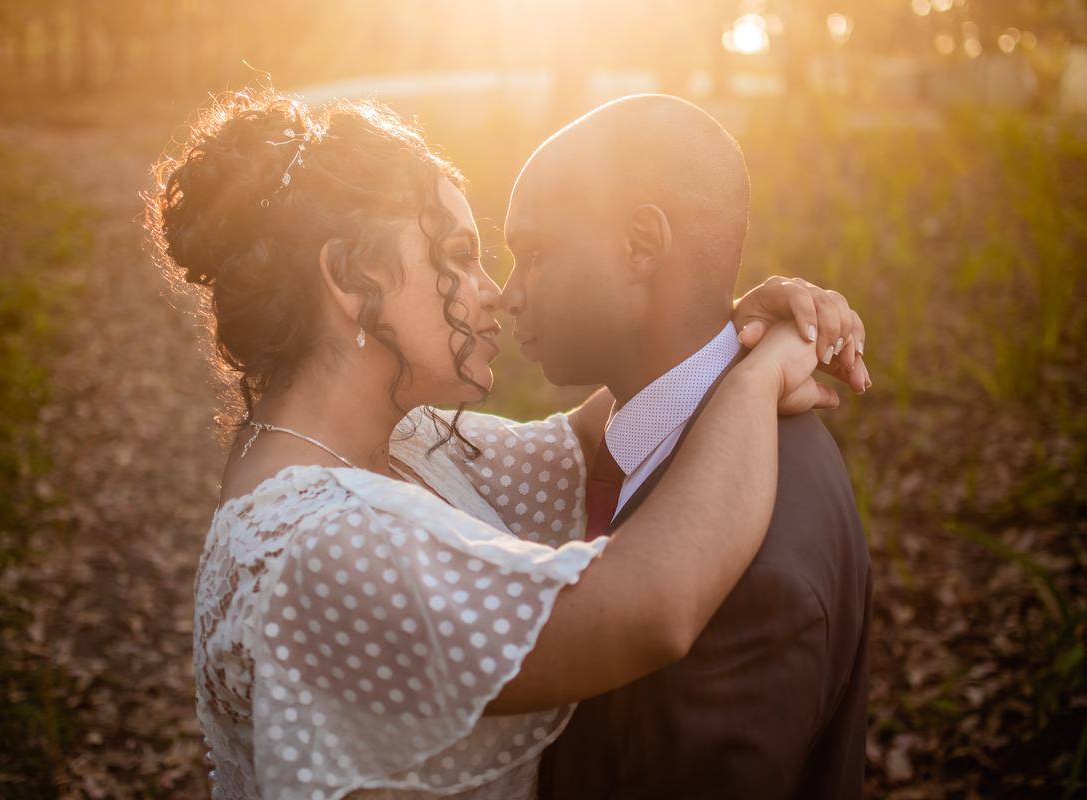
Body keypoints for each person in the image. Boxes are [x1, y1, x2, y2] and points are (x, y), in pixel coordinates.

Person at [148, 89, 865, 800]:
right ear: (348, 278)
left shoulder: (401, 446)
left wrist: (725, 323)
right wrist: (757, 377)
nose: (492, 293)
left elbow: (601, 435)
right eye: (457, 258)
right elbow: (652, 605)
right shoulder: (318, 545)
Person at [495, 94, 872, 800]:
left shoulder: (746, 577)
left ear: (641, 246)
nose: (507, 295)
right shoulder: (677, 426)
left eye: (536, 253)